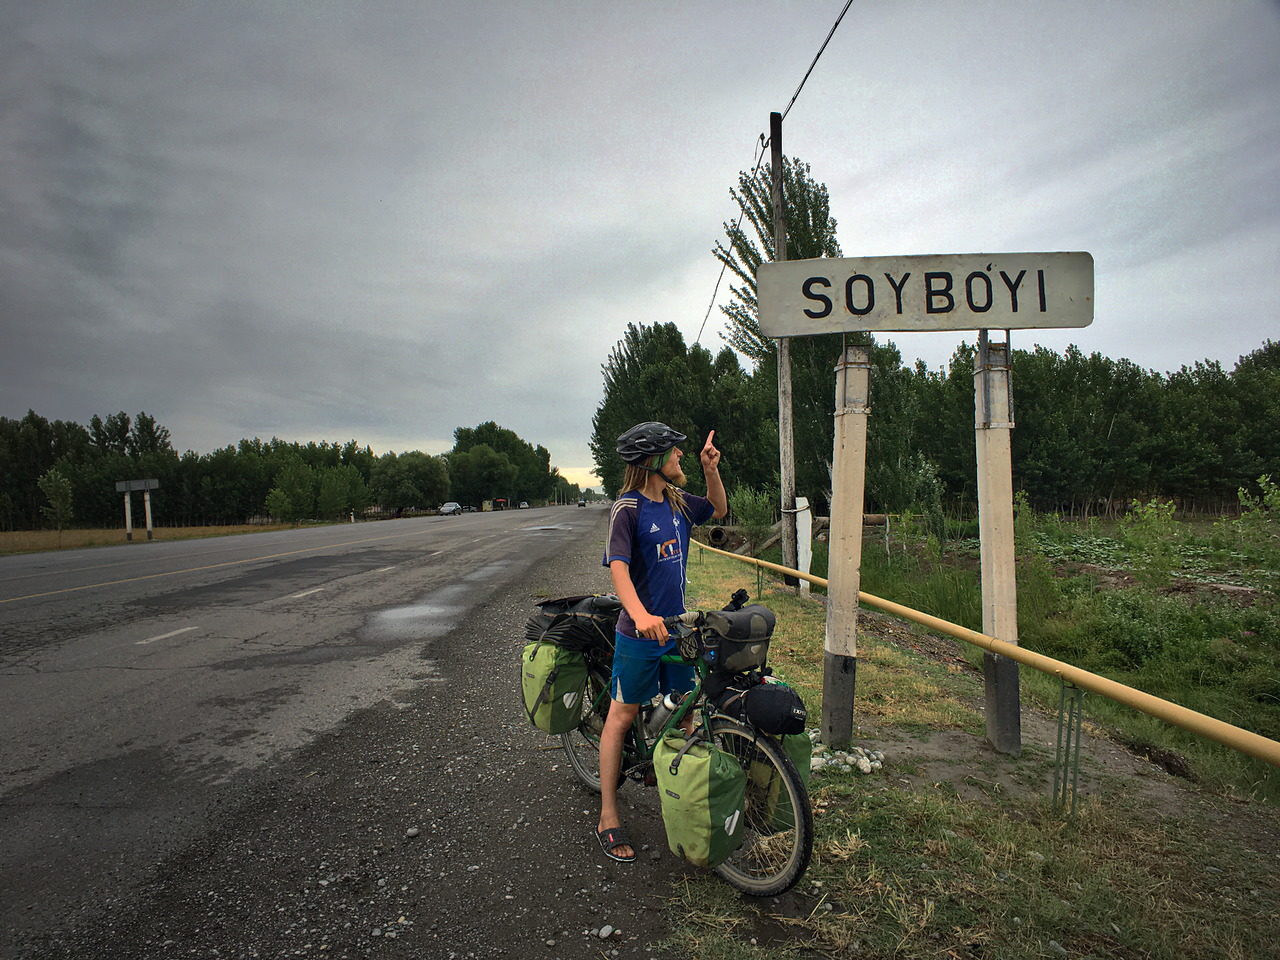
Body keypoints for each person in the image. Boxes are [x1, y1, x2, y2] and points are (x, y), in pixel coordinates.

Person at [595, 421, 727, 862]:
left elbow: (718, 510)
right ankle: (608, 814)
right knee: (621, 716)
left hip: (677, 629)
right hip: (639, 633)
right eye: (675, 452)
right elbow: (617, 568)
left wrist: (712, 470)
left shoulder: (675, 501)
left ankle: (680, 792)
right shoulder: (627, 509)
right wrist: (640, 614)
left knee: (685, 710)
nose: (681, 457)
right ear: (654, 460)